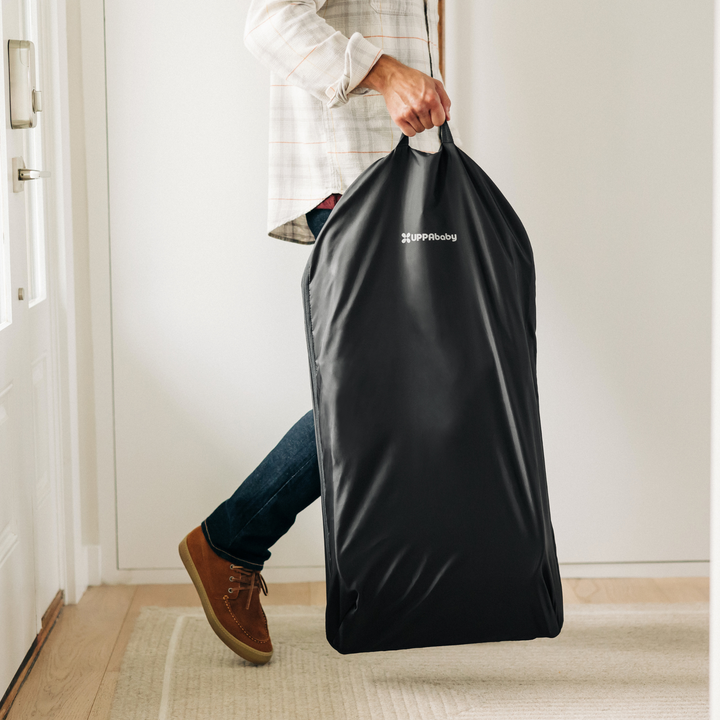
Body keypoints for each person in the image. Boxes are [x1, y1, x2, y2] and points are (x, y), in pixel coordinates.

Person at [178, 0, 457, 666]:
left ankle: (358, 578)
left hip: (401, 173)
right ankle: (232, 542)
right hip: (357, 176)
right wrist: (390, 75)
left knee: (395, 389)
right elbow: (269, 21)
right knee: (379, 393)